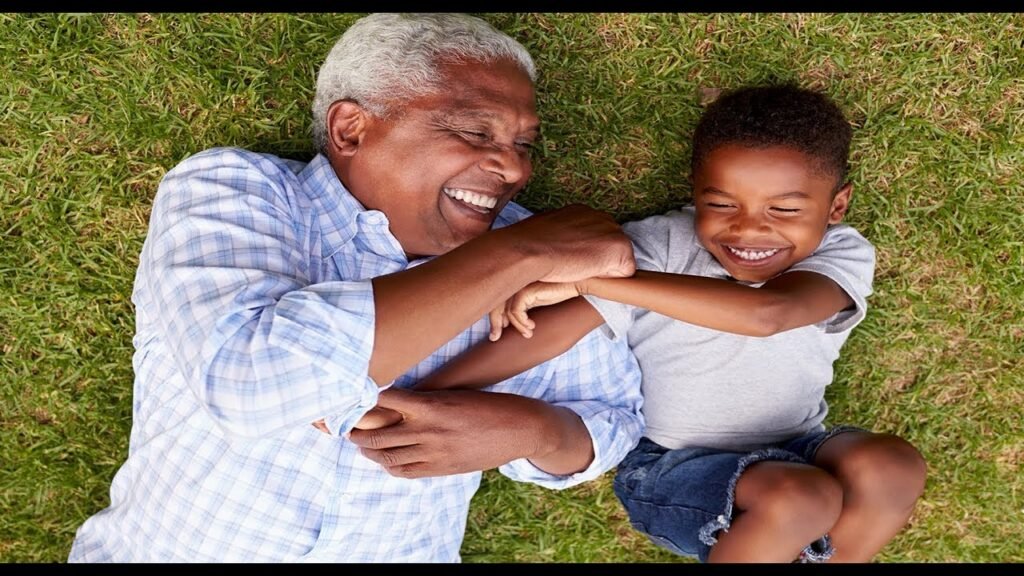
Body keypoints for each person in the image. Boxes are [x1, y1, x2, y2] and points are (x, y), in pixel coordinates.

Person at [67, 13, 646, 563]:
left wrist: (531, 431)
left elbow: (609, 418)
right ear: (351, 129)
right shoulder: (234, 190)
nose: (515, 170)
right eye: (477, 131)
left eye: (523, 145)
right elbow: (252, 383)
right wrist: (518, 254)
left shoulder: (534, 253)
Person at [407, 83, 928, 563]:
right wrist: (427, 393)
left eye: (785, 209)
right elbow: (553, 331)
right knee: (802, 498)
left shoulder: (841, 254)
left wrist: (595, 280)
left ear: (836, 205)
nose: (749, 228)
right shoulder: (662, 245)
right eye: (720, 203)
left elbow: (772, 313)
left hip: (802, 443)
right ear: (695, 192)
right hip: (671, 467)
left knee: (892, 466)